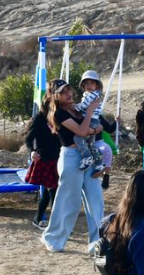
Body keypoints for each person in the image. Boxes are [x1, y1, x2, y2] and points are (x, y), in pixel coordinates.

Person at [41, 79, 113, 253]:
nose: (69, 94)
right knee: (69, 202)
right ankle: (53, 238)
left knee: (96, 199)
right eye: (63, 92)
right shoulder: (58, 113)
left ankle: (97, 242)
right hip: (71, 158)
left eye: (69, 90)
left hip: (88, 154)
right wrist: (90, 118)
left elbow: (99, 126)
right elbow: (81, 131)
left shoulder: (77, 108)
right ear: (55, 96)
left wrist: (92, 126)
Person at [25, 90, 61, 230]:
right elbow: (28, 138)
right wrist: (32, 152)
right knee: (53, 192)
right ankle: (56, 225)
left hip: (58, 159)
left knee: (47, 192)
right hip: (45, 160)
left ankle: (38, 218)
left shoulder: (58, 117)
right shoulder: (39, 118)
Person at [73, 70, 110, 179]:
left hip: (91, 121)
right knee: (91, 144)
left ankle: (87, 156)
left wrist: (74, 107)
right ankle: (99, 163)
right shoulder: (90, 94)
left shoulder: (92, 95)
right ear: (83, 85)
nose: (89, 86)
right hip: (94, 121)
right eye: (87, 83)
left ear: (97, 85)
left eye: (92, 83)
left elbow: (83, 105)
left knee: (78, 138)